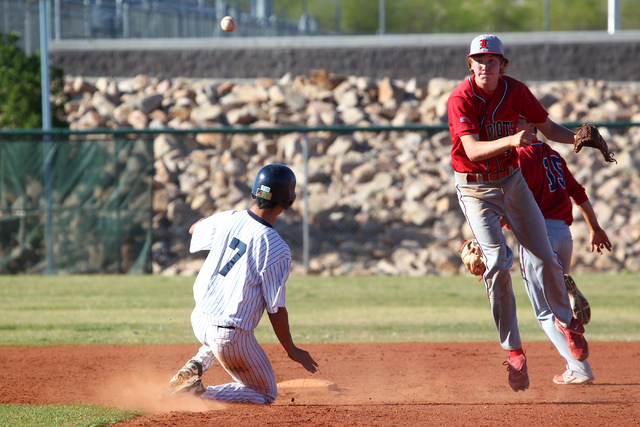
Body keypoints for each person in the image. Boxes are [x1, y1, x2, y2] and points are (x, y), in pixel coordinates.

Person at [446, 33, 590, 392]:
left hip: (511, 181)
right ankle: (513, 351)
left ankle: (565, 322)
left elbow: (546, 126)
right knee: (497, 263)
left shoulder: (516, 90)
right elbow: (473, 150)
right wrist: (512, 140)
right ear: (470, 64)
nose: (485, 65)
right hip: (475, 187)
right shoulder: (460, 98)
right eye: (479, 60)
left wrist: (574, 138)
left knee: (543, 253)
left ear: (502, 65)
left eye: (492, 60)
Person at [167, 163, 318, 404]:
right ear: (287, 201)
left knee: (215, 337)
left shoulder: (229, 217)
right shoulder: (276, 247)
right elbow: (275, 308)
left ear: (256, 192)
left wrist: (217, 221)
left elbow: (194, 229)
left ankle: (195, 365)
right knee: (265, 394)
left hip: (200, 319)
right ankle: (199, 394)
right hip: (229, 337)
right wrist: (291, 350)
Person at [513, 116, 611, 385]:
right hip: (563, 236)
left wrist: (485, 236)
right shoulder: (553, 155)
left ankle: (579, 367)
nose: (511, 125)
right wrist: (596, 228)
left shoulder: (522, 156)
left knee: (546, 312)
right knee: (557, 300)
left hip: (537, 236)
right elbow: (577, 192)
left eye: (518, 121)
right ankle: (574, 349)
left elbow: (517, 200)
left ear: (532, 127)